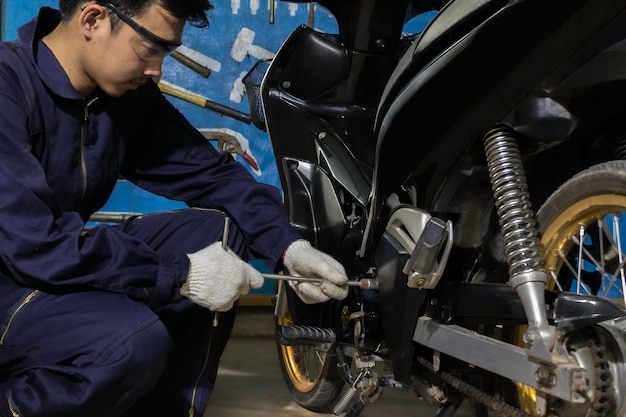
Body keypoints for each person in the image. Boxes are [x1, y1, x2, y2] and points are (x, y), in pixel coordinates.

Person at [0, 1, 350, 416]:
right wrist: (180, 275)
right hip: (12, 280)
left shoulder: (122, 99)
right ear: (93, 20)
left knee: (219, 230)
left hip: (51, 264)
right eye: (150, 49)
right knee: (132, 342)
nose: (157, 70)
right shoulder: (7, 86)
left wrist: (289, 249)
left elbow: (213, 176)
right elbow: (33, 243)